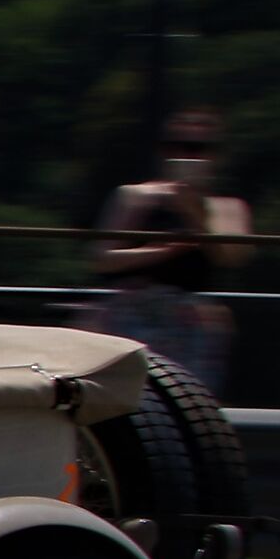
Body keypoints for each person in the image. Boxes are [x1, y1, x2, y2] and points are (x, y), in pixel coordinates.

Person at [86, 108, 251, 395]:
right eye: (177, 146)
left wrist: (195, 215)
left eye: (199, 148)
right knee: (125, 395)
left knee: (189, 399)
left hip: (192, 316)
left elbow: (233, 256)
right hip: (133, 308)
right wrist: (162, 250)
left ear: (215, 155)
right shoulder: (134, 197)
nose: (189, 155)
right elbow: (103, 259)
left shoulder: (227, 207)